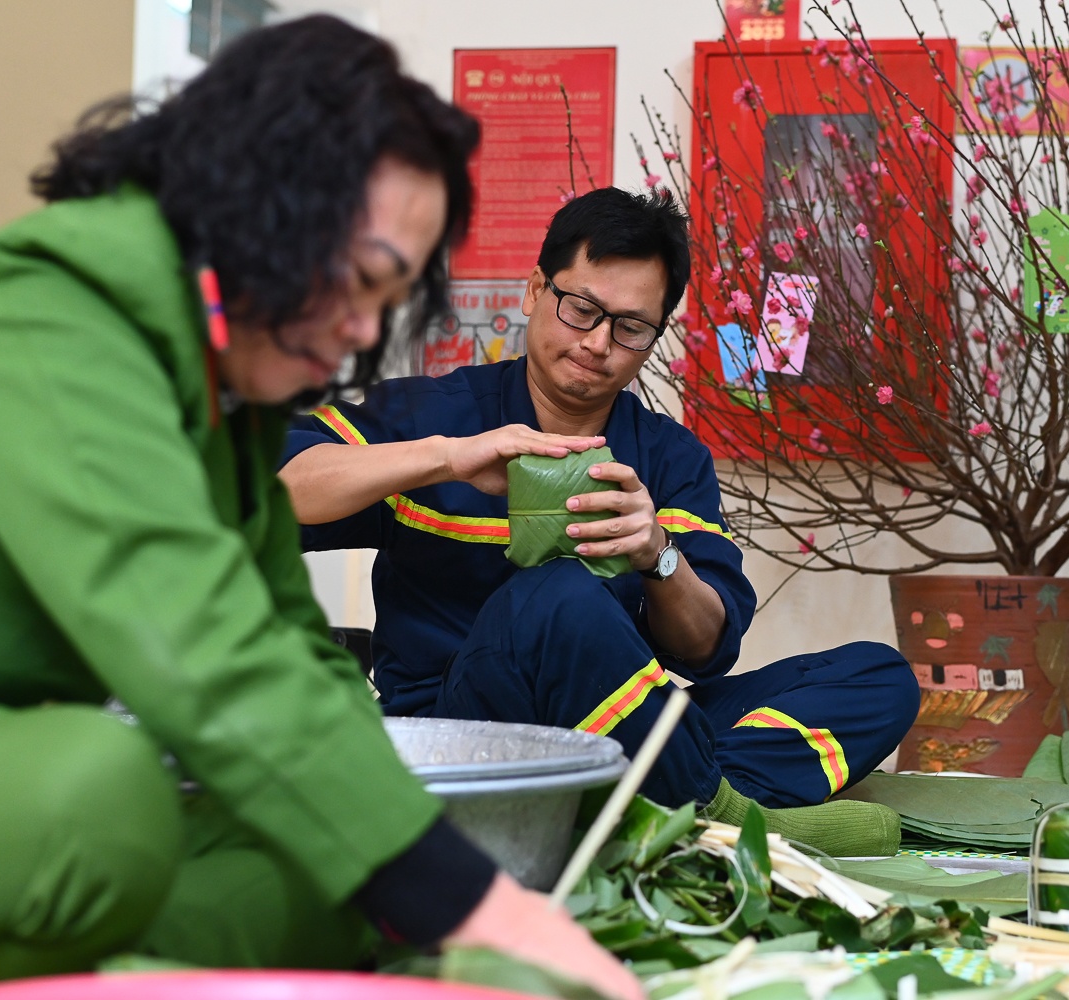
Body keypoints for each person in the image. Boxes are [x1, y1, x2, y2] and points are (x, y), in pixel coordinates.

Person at [0, 17, 641, 1000]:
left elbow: (294, 646)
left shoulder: (226, 394)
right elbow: (197, 641)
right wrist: (484, 908)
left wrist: (417, 863)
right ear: (253, 202)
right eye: (360, 278)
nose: (365, 328)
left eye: (391, 297)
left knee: (321, 883)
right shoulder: (46, 312)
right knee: (103, 792)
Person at [279, 187, 920, 854]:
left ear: (653, 337)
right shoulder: (432, 417)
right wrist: (443, 458)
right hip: (458, 734)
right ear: (535, 290)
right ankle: (711, 807)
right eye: (581, 310)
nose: (597, 343)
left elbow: (707, 650)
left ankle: (634, 797)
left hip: (612, 722)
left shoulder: (669, 459)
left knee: (879, 680)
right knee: (558, 593)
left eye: (630, 327)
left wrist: (658, 554)